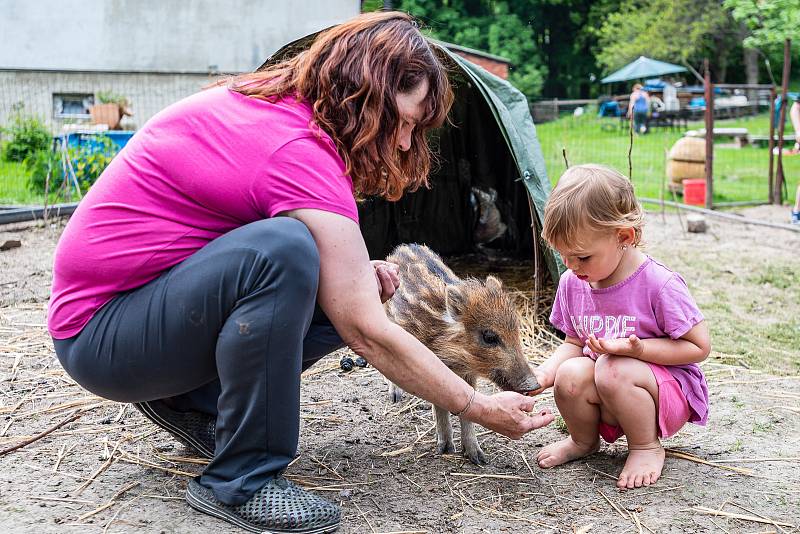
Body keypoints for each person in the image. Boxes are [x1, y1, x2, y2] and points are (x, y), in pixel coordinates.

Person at [47, 12, 554, 533]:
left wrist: (354, 277)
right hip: (103, 334)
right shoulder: (299, 152)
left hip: (139, 319)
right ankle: (242, 480)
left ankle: (195, 403)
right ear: (365, 96)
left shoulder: (279, 112)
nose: (405, 144)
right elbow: (365, 331)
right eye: (403, 121)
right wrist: (481, 406)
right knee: (286, 251)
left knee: (341, 278)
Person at [529, 164, 711, 489]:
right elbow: (573, 342)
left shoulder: (658, 284)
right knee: (570, 374)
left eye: (582, 257)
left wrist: (640, 350)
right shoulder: (574, 282)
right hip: (611, 386)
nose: (570, 267)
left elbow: (698, 347)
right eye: (563, 256)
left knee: (614, 368)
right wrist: (543, 374)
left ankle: (645, 446)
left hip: (663, 391)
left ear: (624, 237)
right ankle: (583, 441)